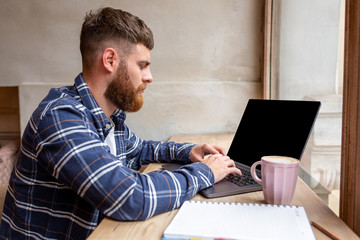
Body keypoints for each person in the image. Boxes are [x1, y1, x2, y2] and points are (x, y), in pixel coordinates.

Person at [0, 7, 241, 240]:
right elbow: (129, 197)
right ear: (110, 60)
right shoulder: (61, 118)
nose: (149, 77)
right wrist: (206, 172)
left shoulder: (106, 117)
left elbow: (139, 149)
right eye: (142, 65)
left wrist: (188, 151)